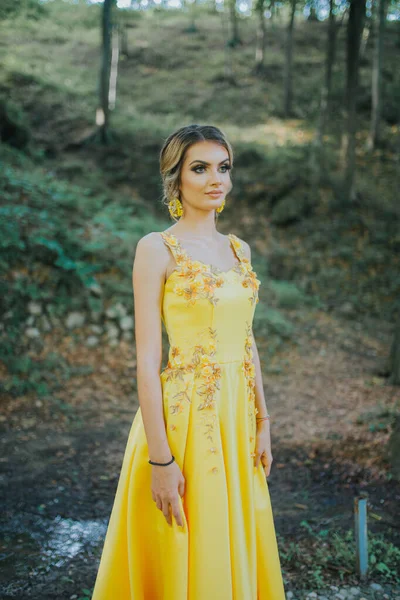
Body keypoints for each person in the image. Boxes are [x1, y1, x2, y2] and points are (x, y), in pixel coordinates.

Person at [91, 124, 286, 599]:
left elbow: (247, 340)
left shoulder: (239, 249)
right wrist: (161, 459)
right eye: (199, 168)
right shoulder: (156, 248)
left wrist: (263, 418)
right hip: (185, 419)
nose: (215, 178)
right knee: (184, 537)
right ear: (175, 177)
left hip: (236, 418)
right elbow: (145, 361)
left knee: (232, 532)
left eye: (223, 167)